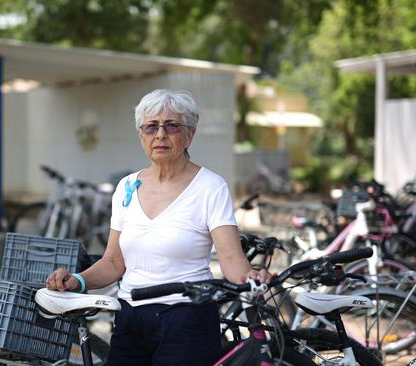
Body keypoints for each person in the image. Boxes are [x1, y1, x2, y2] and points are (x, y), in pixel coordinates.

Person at [45, 89, 271, 365]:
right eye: (151, 126)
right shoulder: (126, 187)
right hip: (130, 318)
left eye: (172, 126)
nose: (160, 134)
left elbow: (231, 257)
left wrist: (250, 278)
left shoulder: (211, 187)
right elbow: (114, 261)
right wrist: (78, 281)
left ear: (190, 135)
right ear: (142, 136)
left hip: (188, 319)